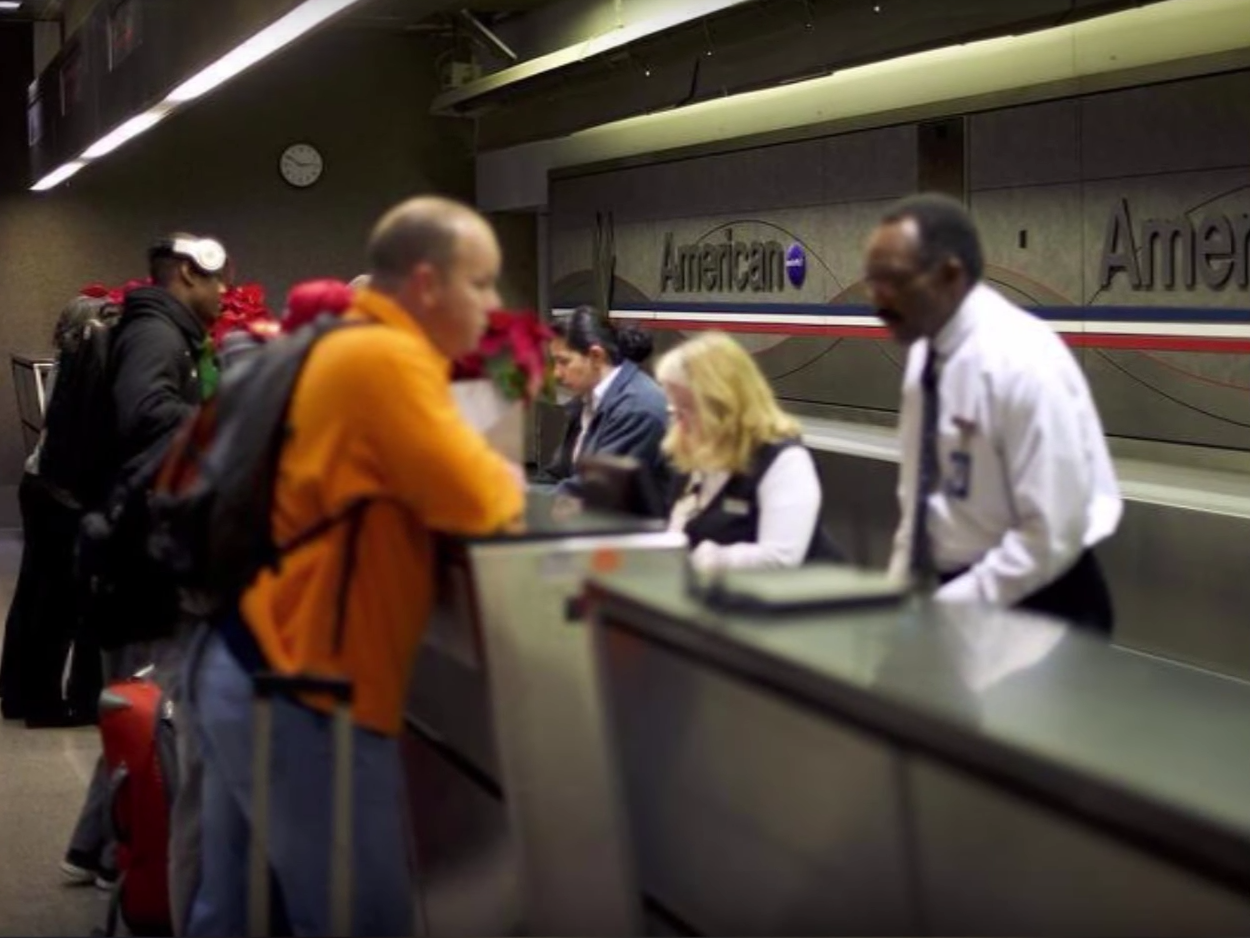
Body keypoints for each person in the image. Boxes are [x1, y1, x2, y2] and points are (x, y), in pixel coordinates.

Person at [183, 196, 525, 937]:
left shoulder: (334, 345)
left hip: (244, 661)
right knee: (357, 919)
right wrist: (497, 475)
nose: (494, 305)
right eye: (483, 283)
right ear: (429, 284)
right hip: (305, 690)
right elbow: (485, 499)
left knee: (236, 914)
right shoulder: (385, 359)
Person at [865, 193, 1121, 633]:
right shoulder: (925, 355)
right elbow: (918, 500)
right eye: (872, 281)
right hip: (956, 597)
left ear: (949, 275)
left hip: (1039, 602)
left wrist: (946, 610)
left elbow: (1050, 534)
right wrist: (899, 593)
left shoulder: (1021, 361)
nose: (878, 300)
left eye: (894, 281)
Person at [62, 233, 228, 888]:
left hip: (126, 549)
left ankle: (90, 846)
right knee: (149, 710)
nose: (223, 295)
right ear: (187, 275)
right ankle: (117, 859)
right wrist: (223, 424)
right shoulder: (157, 337)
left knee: (133, 707)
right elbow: (146, 416)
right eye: (216, 282)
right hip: (139, 557)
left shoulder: (155, 330)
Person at [0, 296, 114, 727]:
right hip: (63, 495)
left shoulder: (65, 362)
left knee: (33, 597)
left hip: (39, 486)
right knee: (61, 605)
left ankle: (17, 692)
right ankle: (45, 702)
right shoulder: (88, 367)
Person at [657, 331, 841, 571]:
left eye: (688, 410)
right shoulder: (693, 451)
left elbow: (779, 559)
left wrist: (706, 557)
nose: (679, 424)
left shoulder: (783, 460)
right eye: (675, 410)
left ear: (724, 405)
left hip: (793, 601)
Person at [535, 306, 668, 499]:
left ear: (596, 356)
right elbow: (557, 474)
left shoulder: (637, 409)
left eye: (563, 362)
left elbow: (592, 490)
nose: (556, 374)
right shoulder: (586, 402)